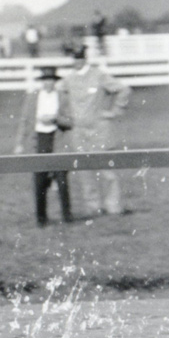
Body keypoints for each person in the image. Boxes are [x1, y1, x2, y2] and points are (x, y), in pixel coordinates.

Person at [61, 46, 131, 216]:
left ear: (84, 58)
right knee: (84, 171)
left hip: (100, 130)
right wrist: (67, 117)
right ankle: (93, 208)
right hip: (79, 131)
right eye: (73, 58)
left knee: (107, 170)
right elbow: (60, 99)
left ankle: (114, 207)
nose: (76, 61)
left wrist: (114, 111)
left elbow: (123, 89)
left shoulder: (98, 75)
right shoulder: (68, 80)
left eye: (78, 58)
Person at [14, 67, 74, 226]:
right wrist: (20, 143)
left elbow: (70, 122)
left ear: (55, 82)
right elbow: (25, 121)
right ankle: (41, 218)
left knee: (62, 180)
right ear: (42, 82)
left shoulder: (62, 97)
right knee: (39, 181)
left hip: (57, 140)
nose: (48, 84)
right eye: (45, 80)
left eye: (51, 81)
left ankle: (67, 216)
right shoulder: (33, 98)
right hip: (39, 141)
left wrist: (55, 119)